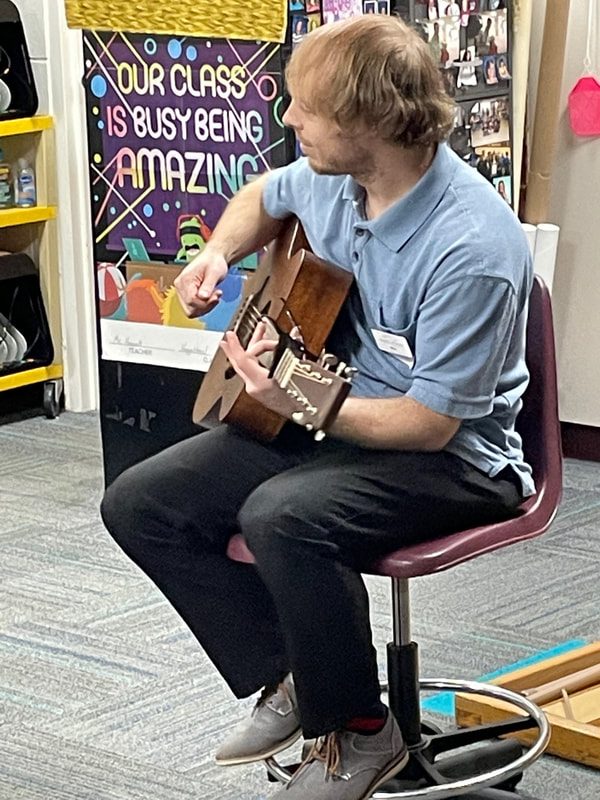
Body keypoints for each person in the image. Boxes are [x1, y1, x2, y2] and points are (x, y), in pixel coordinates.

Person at [101, 15, 533, 800]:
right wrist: (214, 254)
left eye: (306, 106)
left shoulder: (473, 247)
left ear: (370, 120)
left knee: (281, 515)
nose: (288, 119)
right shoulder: (340, 178)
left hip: (458, 458)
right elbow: (263, 195)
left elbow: (430, 423)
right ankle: (298, 676)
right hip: (334, 411)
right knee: (140, 503)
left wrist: (305, 401)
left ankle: (363, 735)